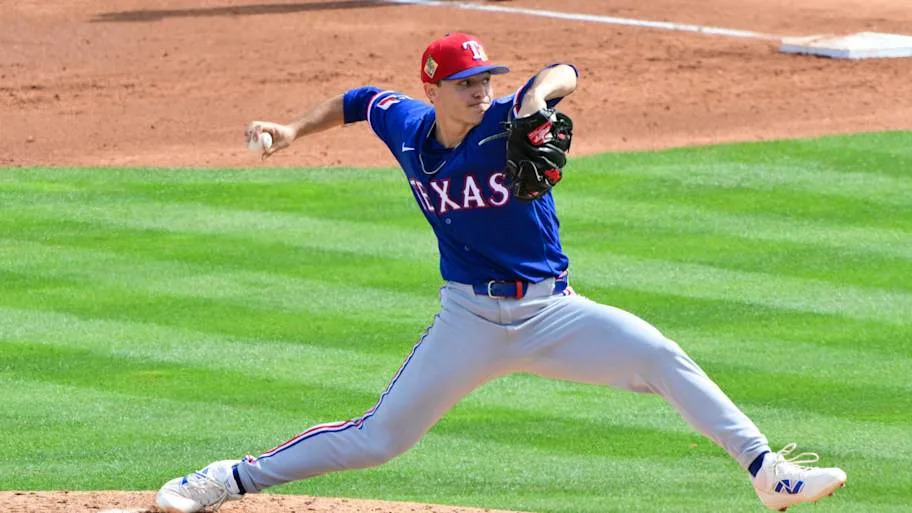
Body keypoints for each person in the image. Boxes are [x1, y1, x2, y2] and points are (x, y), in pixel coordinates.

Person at [155, 32, 846, 513]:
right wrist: (290, 130)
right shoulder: (406, 125)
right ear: (434, 87)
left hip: (554, 312)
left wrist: (539, 96)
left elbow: (563, 70)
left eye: (485, 79)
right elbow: (361, 98)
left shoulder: (505, 118)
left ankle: (768, 473)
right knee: (381, 438)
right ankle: (227, 478)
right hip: (470, 321)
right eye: (465, 83)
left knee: (660, 354)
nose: (479, 91)